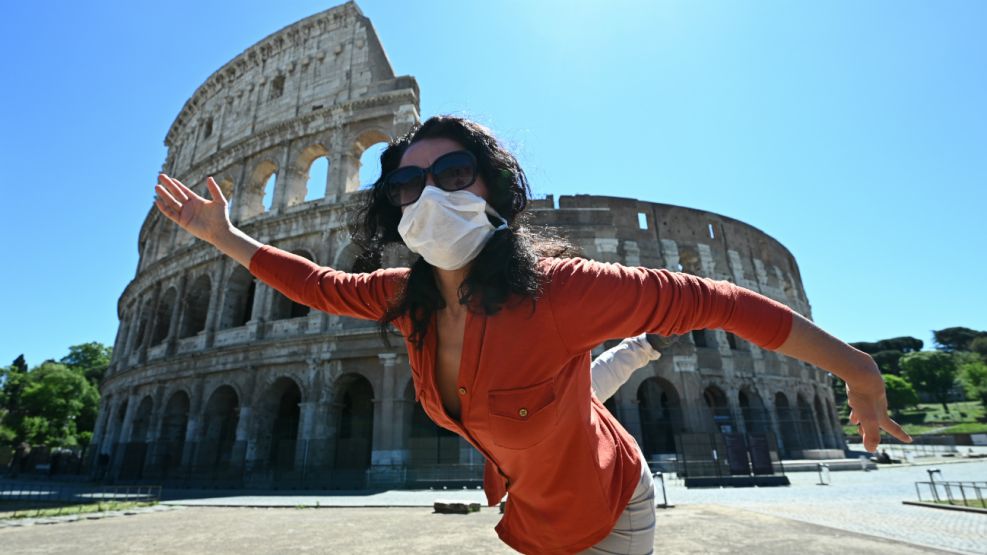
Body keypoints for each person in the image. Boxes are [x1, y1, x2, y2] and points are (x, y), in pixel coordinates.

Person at [153, 115, 911, 555]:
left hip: (608, 504)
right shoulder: (405, 298)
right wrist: (226, 236)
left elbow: (722, 301)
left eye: (453, 171)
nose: (429, 193)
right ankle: (621, 362)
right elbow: (315, 284)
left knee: (580, 389)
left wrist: (860, 373)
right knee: (573, 389)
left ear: (495, 187)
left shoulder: (564, 288)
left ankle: (629, 356)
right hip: (537, 465)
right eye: (408, 184)